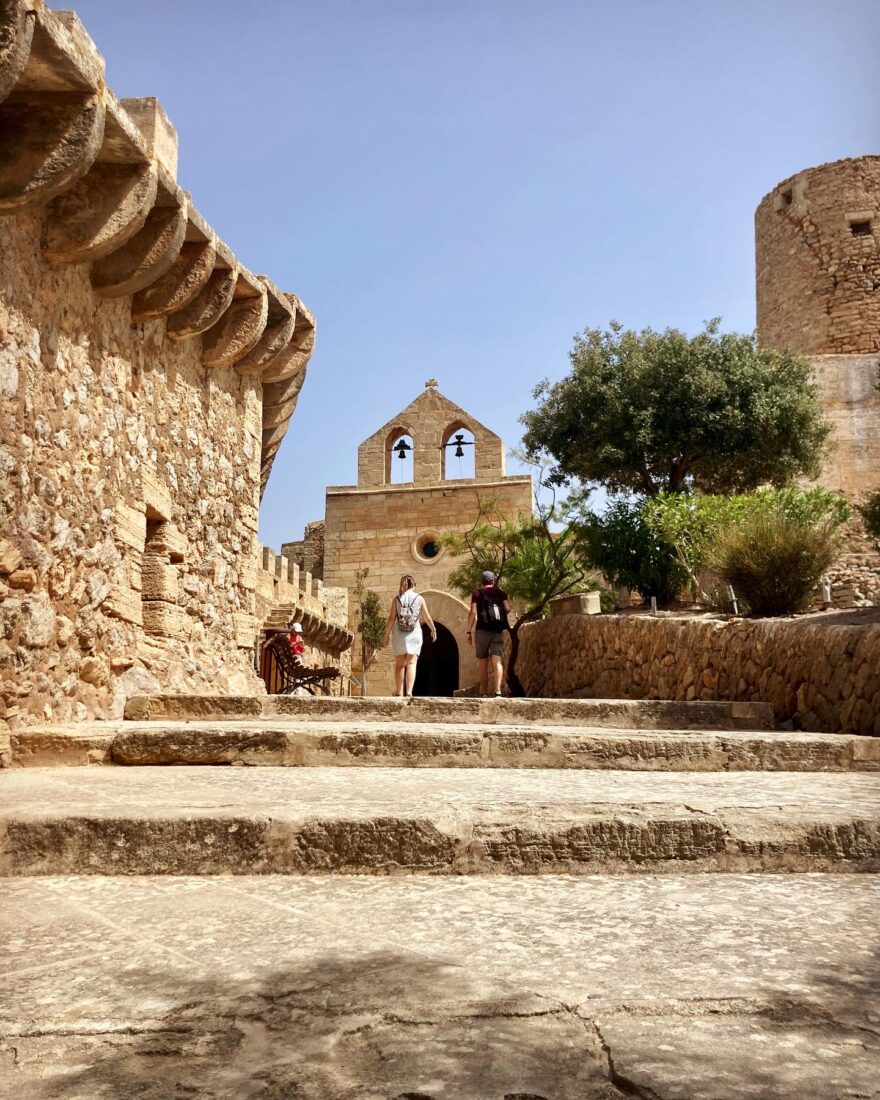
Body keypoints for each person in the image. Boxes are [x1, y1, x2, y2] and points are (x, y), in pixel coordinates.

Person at [382, 575, 436, 697]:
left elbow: (391, 618)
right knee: (411, 663)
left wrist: (386, 635)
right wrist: (433, 629)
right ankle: (409, 692)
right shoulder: (420, 598)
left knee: (400, 665)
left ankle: (399, 692)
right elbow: (427, 617)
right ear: (414, 585)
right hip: (414, 633)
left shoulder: (397, 599)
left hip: (399, 634)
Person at [466, 570, 511, 697]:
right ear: (493, 581)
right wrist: (499, 613)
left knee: (483, 662)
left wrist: (468, 631)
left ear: (482, 581)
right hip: (497, 630)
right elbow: (508, 608)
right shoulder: (501, 593)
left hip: (482, 630)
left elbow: (473, 612)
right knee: (497, 661)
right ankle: (498, 691)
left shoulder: (477, 593)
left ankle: (484, 692)